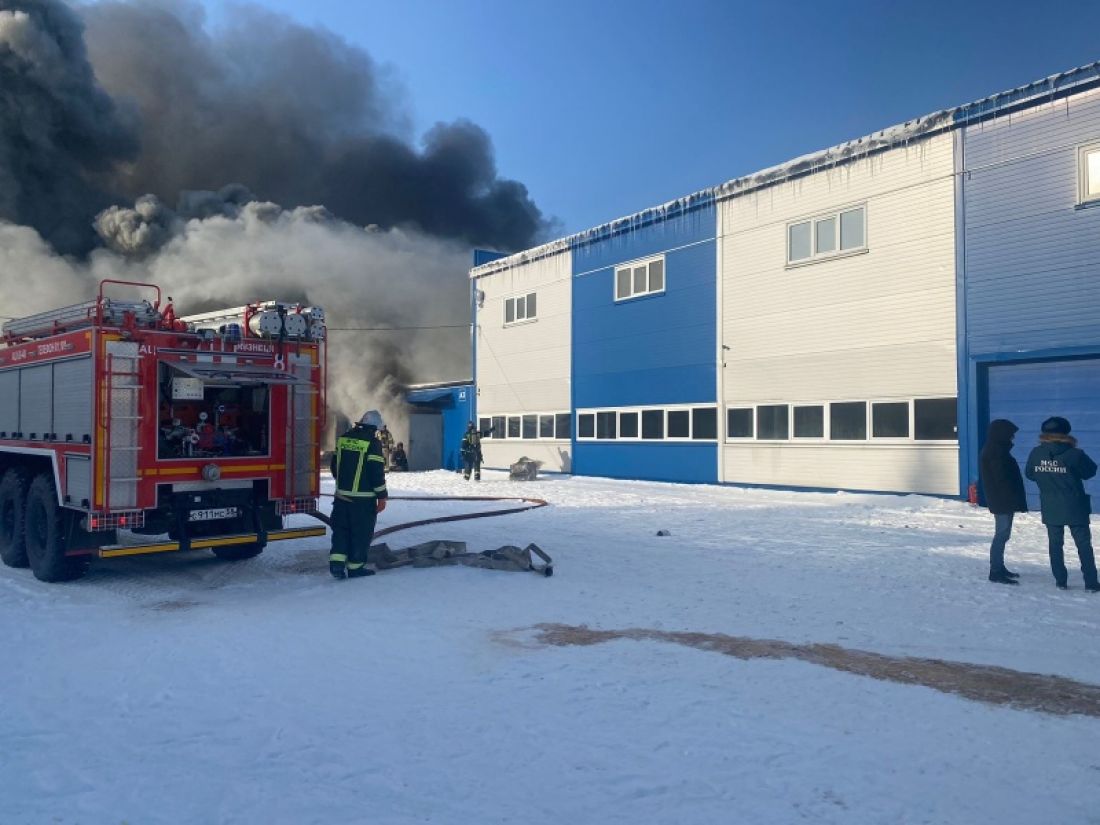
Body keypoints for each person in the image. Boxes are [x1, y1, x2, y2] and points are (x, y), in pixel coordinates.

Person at [1024, 416, 1099, 592]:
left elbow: (1030, 474)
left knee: (1055, 544)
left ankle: (1060, 581)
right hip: (1075, 505)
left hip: (1050, 505)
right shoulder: (1075, 454)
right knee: (1083, 545)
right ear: (1066, 432)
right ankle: (1091, 583)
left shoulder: (1036, 453)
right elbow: (1090, 472)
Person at [328, 410, 389, 580]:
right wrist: (382, 496)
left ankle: (336, 565)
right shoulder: (372, 443)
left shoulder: (344, 438)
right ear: (374, 427)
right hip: (362, 501)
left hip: (341, 498)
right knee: (360, 534)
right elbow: (376, 472)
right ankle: (355, 568)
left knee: (340, 531)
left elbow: (334, 466)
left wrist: (343, 484)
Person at [979, 419, 1027, 585]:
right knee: (1001, 535)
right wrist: (1012, 498)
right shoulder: (995, 452)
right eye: (1010, 434)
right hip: (1002, 500)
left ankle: (999, 567)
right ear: (1002, 434)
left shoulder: (998, 449)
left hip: (1003, 499)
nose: (1013, 437)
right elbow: (1001, 479)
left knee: (1003, 535)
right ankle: (996, 571)